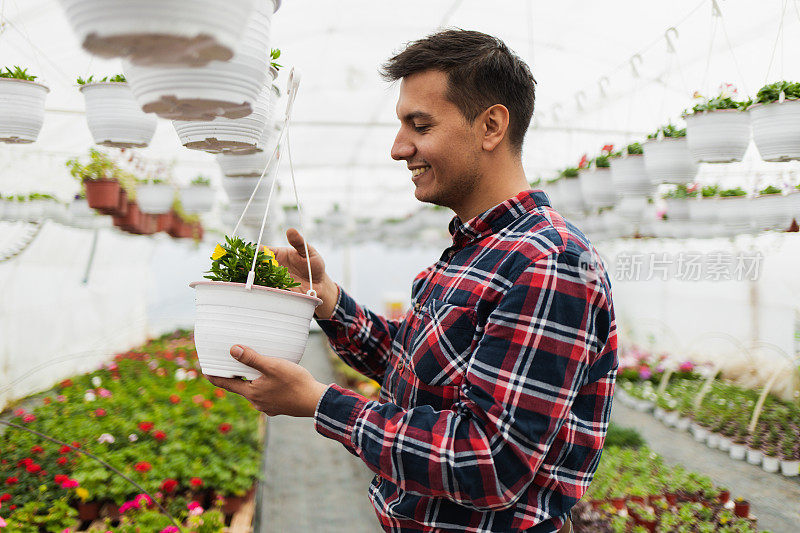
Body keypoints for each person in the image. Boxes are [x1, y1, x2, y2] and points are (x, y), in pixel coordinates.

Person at [206, 29, 617, 533]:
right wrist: (327, 299)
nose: (399, 149)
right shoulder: (474, 251)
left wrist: (321, 402)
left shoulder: (546, 263)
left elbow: (490, 463)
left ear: (491, 126)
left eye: (419, 125)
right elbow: (416, 371)